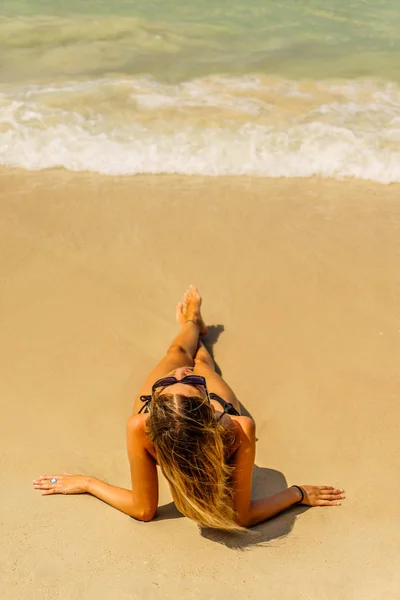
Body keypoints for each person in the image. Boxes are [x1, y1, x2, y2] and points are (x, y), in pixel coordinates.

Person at [33, 285, 345, 531]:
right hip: (196, 419)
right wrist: (296, 493)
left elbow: (146, 510)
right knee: (193, 358)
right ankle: (195, 326)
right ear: (210, 412)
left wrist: (89, 482)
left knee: (188, 355)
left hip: (182, 419)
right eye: (173, 384)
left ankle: (194, 326)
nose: (179, 374)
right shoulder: (232, 427)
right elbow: (242, 515)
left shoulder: (144, 426)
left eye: (185, 382)